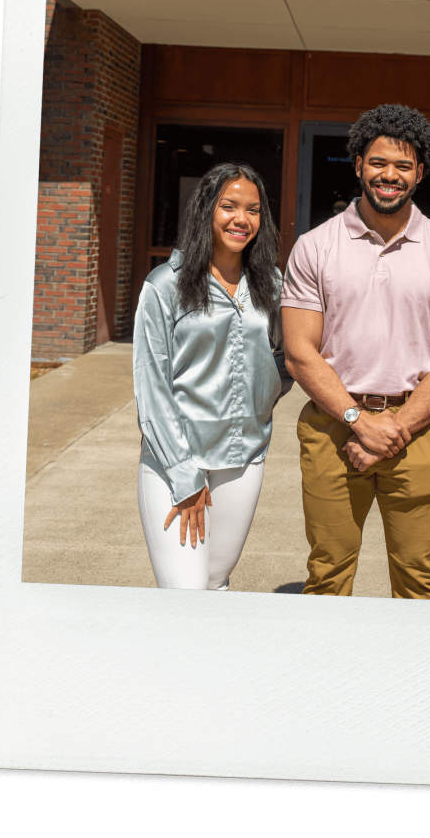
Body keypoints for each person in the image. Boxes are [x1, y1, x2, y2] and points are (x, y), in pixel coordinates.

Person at [281, 103, 430, 599]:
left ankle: (414, 678)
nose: (389, 175)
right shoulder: (314, 247)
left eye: (403, 165)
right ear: (357, 165)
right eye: (378, 162)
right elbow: (300, 352)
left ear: (420, 173)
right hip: (333, 426)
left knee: (418, 580)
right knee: (327, 575)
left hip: (418, 429)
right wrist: (358, 420)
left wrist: (394, 429)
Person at [133, 162, 292, 590]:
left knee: (217, 583)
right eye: (229, 206)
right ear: (206, 210)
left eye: (253, 210)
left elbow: (285, 356)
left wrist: (263, 394)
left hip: (243, 458)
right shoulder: (165, 285)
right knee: (186, 593)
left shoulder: (271, 284)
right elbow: (151, 384)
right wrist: (185, 478)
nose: (242, 219)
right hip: (177, 461)